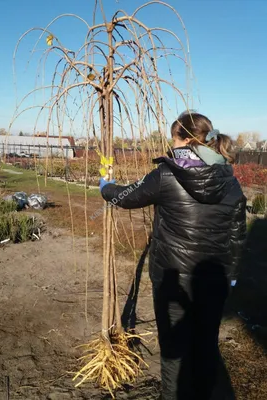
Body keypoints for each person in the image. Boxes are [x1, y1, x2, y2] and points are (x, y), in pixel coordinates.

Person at [99, 112, 247, 400]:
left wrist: (107, 188)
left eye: (174, 138)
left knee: (174, 353)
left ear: (184, 140)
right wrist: (232, 276)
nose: (171, 144)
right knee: (205, 345)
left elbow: (128, 197)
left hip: (173, 280)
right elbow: (237, 234)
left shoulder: (167, 175)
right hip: (214, 281)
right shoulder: (230, 179)